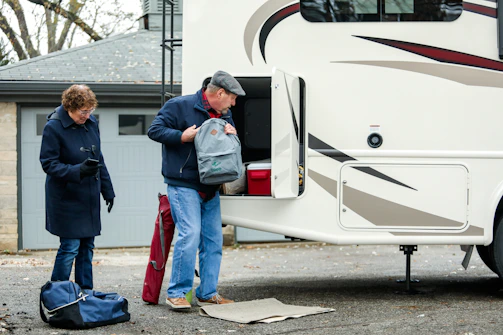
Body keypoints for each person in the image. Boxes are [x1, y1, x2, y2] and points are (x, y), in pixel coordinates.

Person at [148, 70, 246, 309]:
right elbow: (154, 130)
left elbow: (225, 145)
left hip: (211, 187)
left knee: (213, 241)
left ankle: (207, 292)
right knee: (190, 235)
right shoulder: (178, 106)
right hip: (184, 185)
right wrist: (181, 136)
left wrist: (232, 135)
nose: (233, 103)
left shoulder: (225, 114)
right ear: (220, 93)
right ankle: (177, 293)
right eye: (232, 98)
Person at [40, 84, 115, 290]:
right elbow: (49, 164)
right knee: (70, 247)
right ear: (69, 108)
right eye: (83, 111)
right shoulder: (53, 127)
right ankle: (57, 293)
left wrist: (107, 189)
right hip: (66, 198)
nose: (87, 115)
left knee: (87, 247)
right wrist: (78, 171)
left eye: (90, 110)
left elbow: (99, 157)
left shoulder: (91, 123)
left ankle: (85, 292)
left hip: (88, 196)